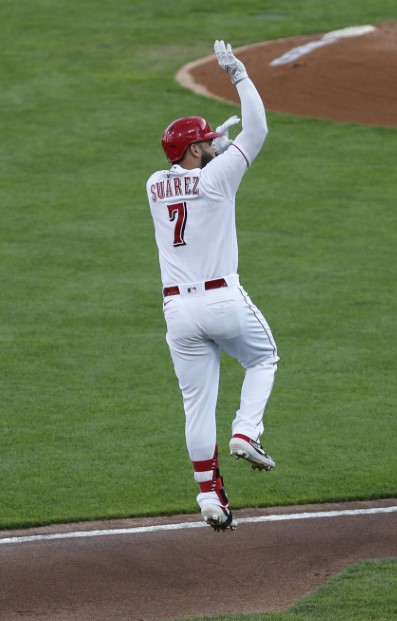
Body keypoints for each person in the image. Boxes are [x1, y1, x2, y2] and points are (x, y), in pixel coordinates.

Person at [146, 40, 279, 531]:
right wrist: (239, 77)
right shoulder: (217, 179)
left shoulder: (154, 185)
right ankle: (247, 431)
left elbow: (181, 168)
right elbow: (258, 128)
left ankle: (208, 494)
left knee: (196, 403)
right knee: (264, 359)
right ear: (196, 149)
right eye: (203, 141)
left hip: (177, 313)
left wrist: (208, 146)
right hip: (222, 299)